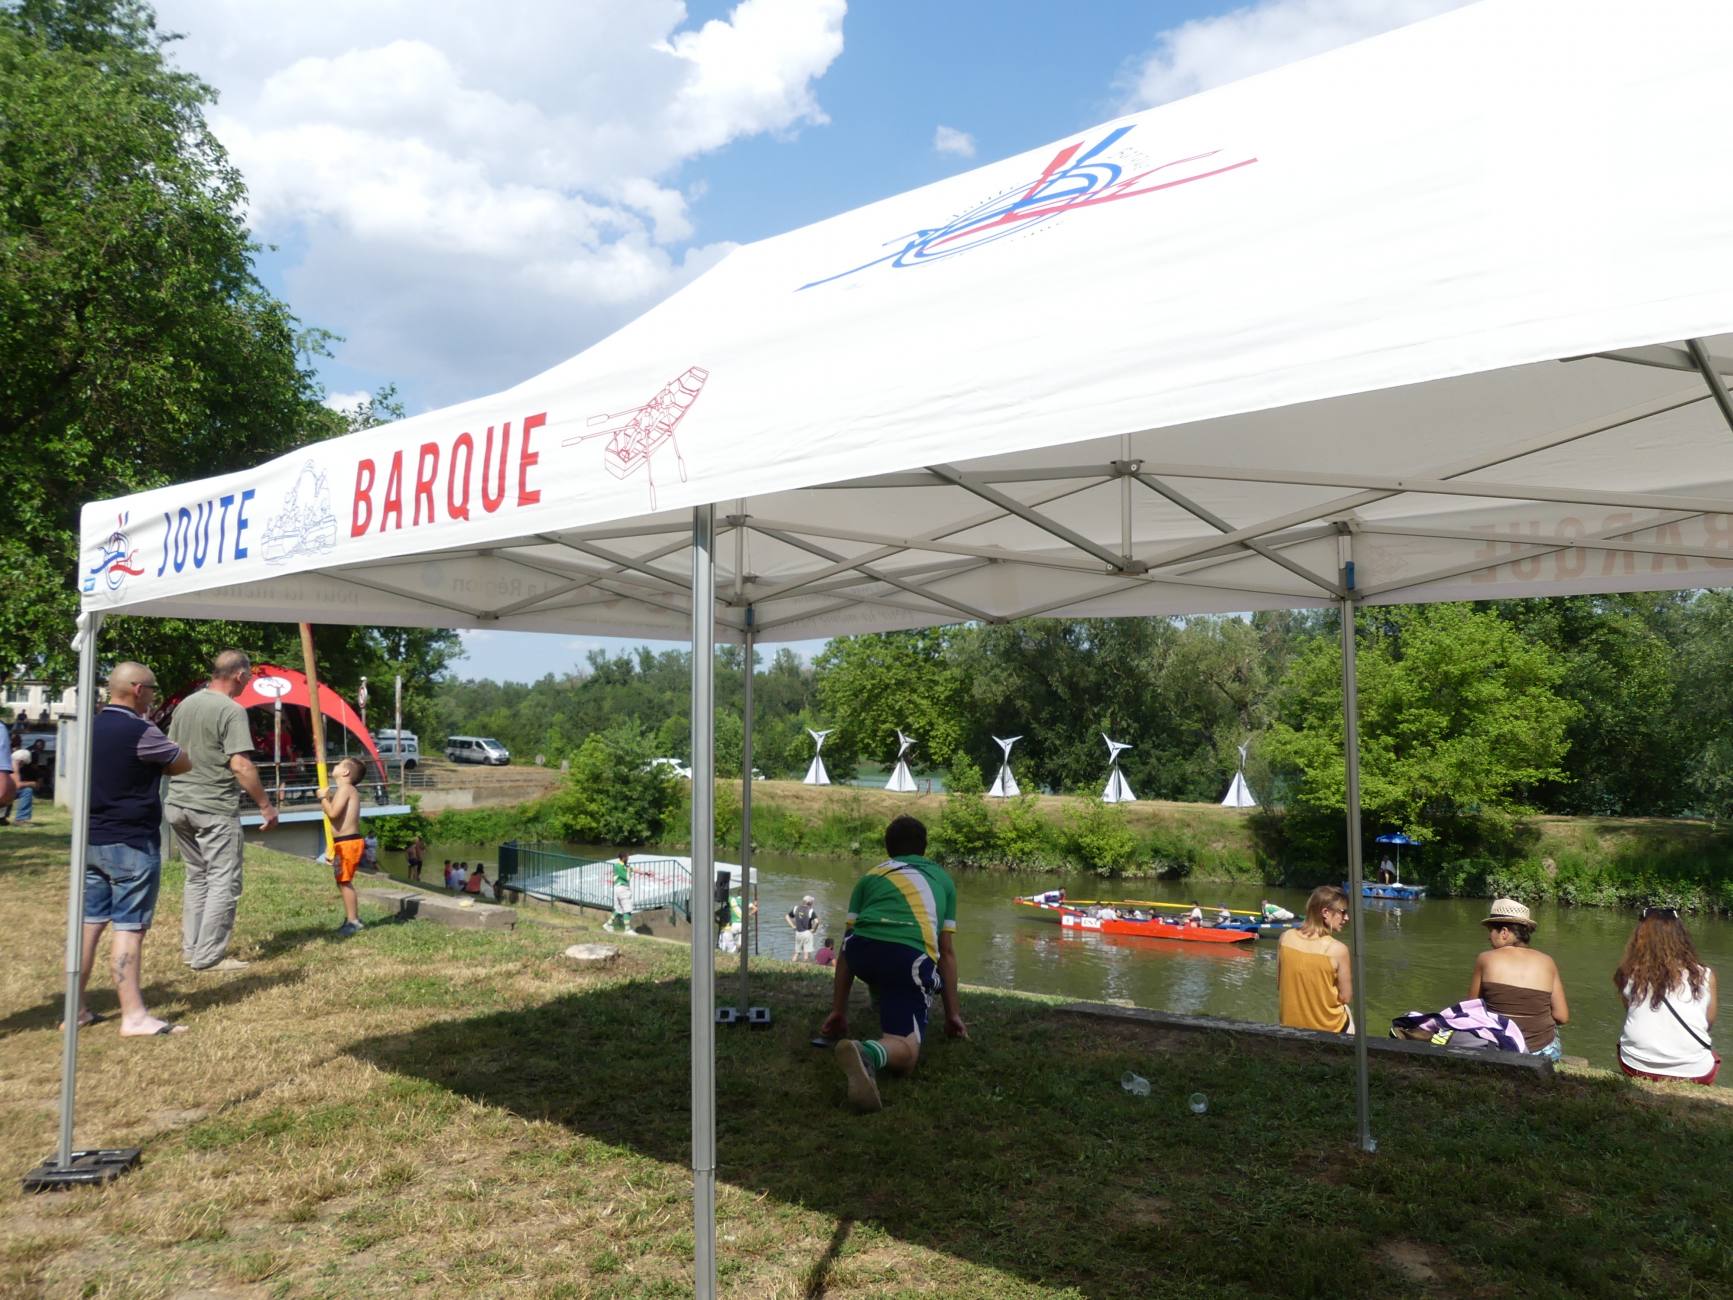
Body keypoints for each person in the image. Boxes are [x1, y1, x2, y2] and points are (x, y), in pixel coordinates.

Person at [74, 662, 193, 1034]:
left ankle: (75, 1009)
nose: (155, 694)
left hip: (90, 839)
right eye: (153, 688)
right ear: (138, 689)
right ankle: (133, 1015)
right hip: (131, 842)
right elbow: (182, 763)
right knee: (128, 926)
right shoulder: (141, 730)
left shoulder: (89, 726)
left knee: (88, 925)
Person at [820, 816, 967, 1112]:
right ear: (924, 849)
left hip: (861, 951)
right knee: (908, 1053)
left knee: (877, 957)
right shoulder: (943, 880)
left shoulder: (871, 876)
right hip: (906, 959)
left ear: (888, 849)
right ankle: (870, 1053)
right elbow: (946, 952)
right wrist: (953, 1015)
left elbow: (847, 945)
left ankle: (883, 1002)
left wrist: (838, 1010)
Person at [166, 650, 279, 972]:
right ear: (239, 675)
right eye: (249, 679)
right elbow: (241, 765)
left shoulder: (186, 704)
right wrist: (265, 805)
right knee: (222, 880)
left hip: (178, 803)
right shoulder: (231, 710)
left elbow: (171, 753)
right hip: (212, 807)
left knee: (197, 877)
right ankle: (209, 957)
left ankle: (192, 950)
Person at [1614, 906, 1719, 1085]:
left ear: (1640, 939)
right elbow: (1707, 1023)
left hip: (1636, 1066)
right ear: (1682, 938)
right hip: (1695, 1072)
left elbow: (1630, 1010)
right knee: (1712, 1056)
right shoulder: (1705, 975)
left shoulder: (1627, 974)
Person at [1470, 898, 1568, 1063]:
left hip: (1499, 1047)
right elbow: (1562, 1016)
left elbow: (1471, 1009)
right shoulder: (1547, 962)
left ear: (1504, 932)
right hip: (1541, 1051)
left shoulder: (1485, 959)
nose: (1488, 937)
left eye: (1490, 931)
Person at [1278, 885, 1353, 1033]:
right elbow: (1346, 997)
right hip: (1329, 1029)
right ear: (1325, 912)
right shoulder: (1338, 950)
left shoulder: (1285, 938)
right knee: (1347, 1010)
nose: (1347, 918)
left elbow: (1280, 983)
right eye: (1343, 912)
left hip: (1289, 1026)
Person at [318, 756, 366, 936]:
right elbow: (337, 822)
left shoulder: (346, 789)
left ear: (345, 772)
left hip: (348, 843)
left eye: (338, 764)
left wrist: (323, 798)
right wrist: (331, 847)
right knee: (341, 881)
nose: (335, 765)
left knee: (345, 882)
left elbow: (333, 813)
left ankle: (353, 921)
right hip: (342, 843)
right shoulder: (344, 790)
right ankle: (351, 918)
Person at [610, 851, 651, 932]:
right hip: (622, 889)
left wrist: (645, 873)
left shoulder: (625, 866)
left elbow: (634, 869)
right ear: (624, 858)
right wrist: (628, 870)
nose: (628, 858)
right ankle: (627, 930)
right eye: (627, 857)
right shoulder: (619, 866)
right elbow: (627, 878)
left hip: (619, 889)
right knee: (628, 909)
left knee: (619, 909)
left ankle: (608, 924)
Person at [7, 737, 33, 824]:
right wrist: (32, 783)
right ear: (22, 760)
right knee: (27, 791)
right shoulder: (15, 764)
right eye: (24, 763)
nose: (23, 766)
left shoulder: (7, 761)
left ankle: (3, 816)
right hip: (4, 791)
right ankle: (21, 818)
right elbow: (17, 785)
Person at [787, 893, 821, 961]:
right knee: (806, 954)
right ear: (809, 903)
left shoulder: (796, 908)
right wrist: (814, 929)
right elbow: (817, 922)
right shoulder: (811, 911)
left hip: (798, 932)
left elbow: (787, 916)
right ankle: (805, 967)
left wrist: (793, 926)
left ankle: (792, 964)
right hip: (807, 933)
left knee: (797, 952)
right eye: (812, 902)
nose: (812, 903)